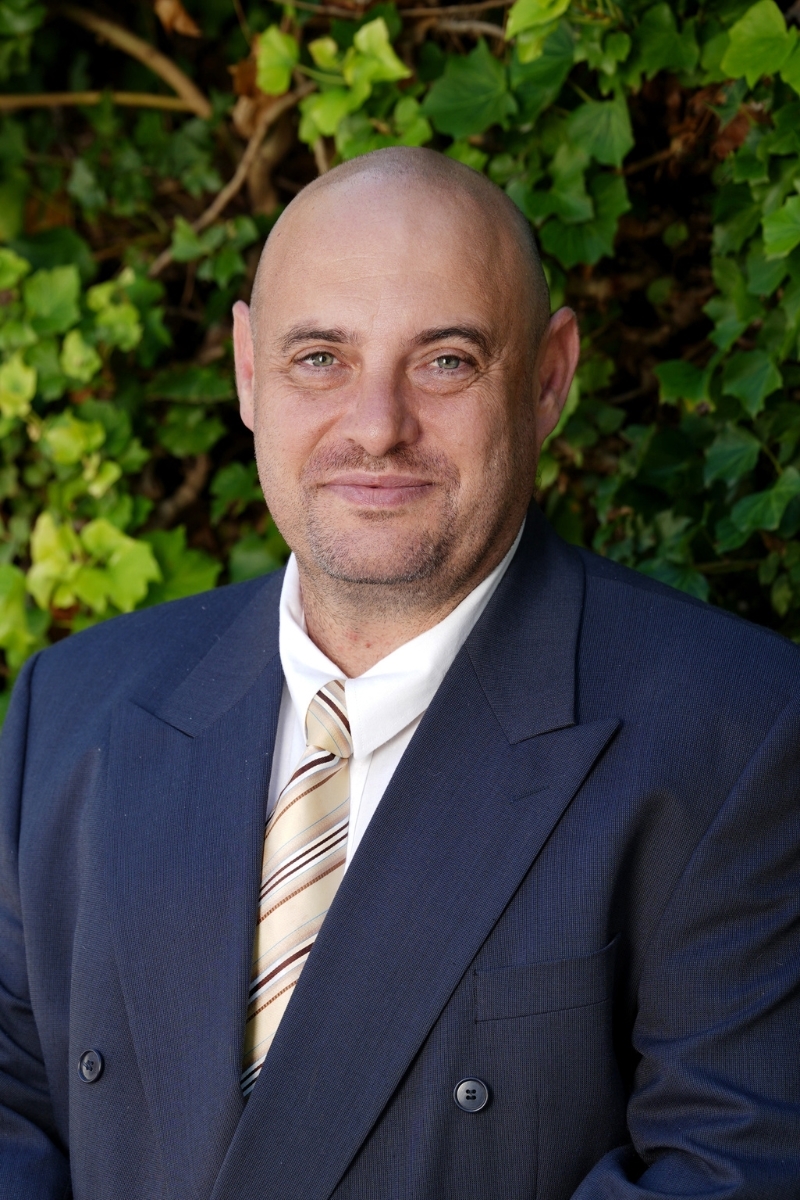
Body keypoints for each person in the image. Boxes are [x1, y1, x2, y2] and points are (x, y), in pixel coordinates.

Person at [0, 147, 798, 1200]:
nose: (376, 427)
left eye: (446, 361)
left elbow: (729, 1171)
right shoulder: (71, 709)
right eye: (319, 358)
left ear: (549, 377)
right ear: (248, 372)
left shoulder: (739, 733)